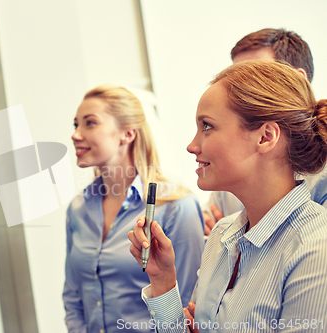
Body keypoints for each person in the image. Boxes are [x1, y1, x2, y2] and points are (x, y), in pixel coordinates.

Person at [129, 60, 327, 332]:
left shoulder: (315, 248)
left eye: (207, 126)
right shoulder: (221, 236)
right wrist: (163, 279)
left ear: (265, 137)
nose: (191, 145)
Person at [63, 85, 205, 332]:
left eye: (89, 123)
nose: (76, 134)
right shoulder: (77, 209)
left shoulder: (177, 207)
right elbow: (73, 297)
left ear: (127, 134)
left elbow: (189, 304)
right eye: (76, 124)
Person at [202, 28, 327, 236]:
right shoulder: (233, 162)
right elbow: (211, 218)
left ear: (297, 79)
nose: (239, 89)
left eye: (255, 77)